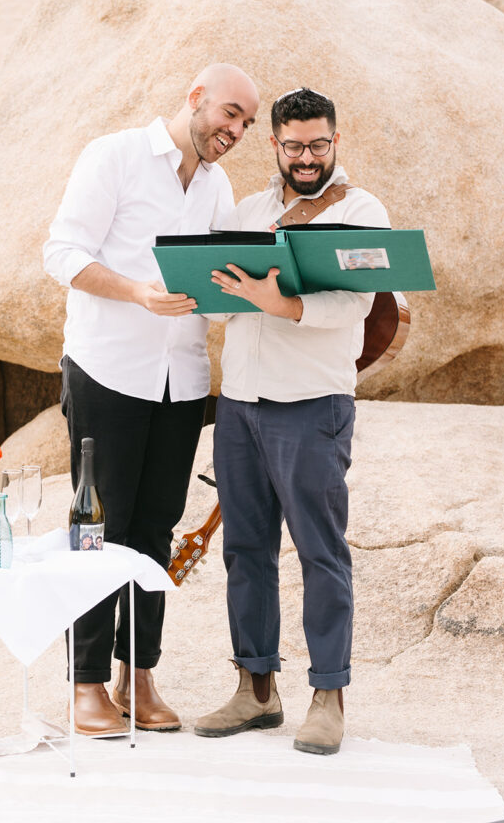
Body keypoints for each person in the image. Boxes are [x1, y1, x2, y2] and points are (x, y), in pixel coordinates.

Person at [43, 64, 259, 736]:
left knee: (155, 531)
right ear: (195, 98)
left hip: (182, 380)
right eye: (230, 113)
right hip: (107, 369)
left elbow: (217, 280)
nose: (235, 131)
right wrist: (138, 291)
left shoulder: (218, 186)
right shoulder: (114, 156)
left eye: (246, 124)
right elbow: (61, 251)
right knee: (95, 530)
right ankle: (86, 685)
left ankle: (138, 676)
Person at [194, 87, 390, 755]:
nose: (305, 158)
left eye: (317, 145)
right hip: (241, 407)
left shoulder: (363, 213)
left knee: (320, 553)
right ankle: (255, 692)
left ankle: (328, 698)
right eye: (293, 145)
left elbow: (353, 305)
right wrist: (202, 292)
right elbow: (220, 304)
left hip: (311, 408)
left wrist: (276, 302)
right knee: (245, 551)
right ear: (274, 145)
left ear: (335, 143)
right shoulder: (247, 211)